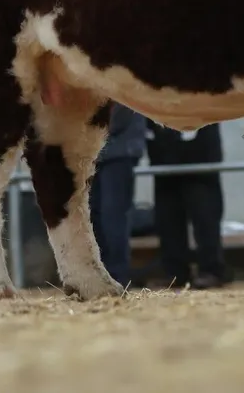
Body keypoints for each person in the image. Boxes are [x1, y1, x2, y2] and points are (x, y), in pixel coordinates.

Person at [146, 120, 226, 288]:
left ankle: (211, 270)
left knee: (205, 214)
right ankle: (175, 273)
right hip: (163, 151)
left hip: (200, 153)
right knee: (167, 216)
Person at [88, 102, 147, 288]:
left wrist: (93, 130)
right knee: (92, 213)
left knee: (113, 214)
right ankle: (98, 274)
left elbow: (124, 107)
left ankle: (116, 275)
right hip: (92, 150)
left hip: (118, 148)